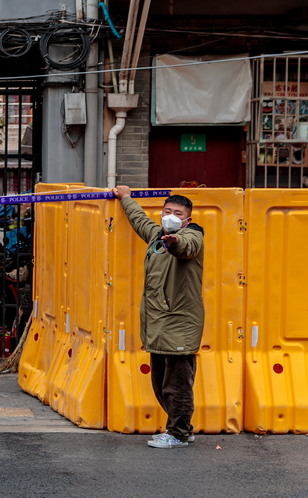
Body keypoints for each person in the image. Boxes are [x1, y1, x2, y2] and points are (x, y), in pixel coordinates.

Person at [113, 186, 204, 449]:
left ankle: (178, 433)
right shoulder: (157, 235)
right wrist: (125, 197)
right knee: (161, 382)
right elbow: (139, 220)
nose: (171, 216)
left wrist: (175, 243)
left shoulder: (192, 235)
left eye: (178, 213)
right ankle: (182, 428)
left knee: (177, 384)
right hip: (158, 323)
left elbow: (187, 247)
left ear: (187, 219)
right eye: (167, 211)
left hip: (179, 323)